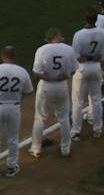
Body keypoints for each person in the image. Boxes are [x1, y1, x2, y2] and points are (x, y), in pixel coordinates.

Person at [29, 28, 77, 158]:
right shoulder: (68, 49)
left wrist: (48, 76)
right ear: (58, 36)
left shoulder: (41, 50)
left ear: (48, 39)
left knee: (40, 118)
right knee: (64, 118)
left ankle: (36, 148)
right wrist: (65, 75)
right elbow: (73, 71)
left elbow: (36, 72)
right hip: (61, 86)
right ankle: (65, 148)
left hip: (46, 86)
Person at [0, 45, 33, 175]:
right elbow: (29, 91)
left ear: (3, 56)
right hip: (14, 107)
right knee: (13, 138)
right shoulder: (22, 71)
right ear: (14, 56)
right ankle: (11, 166)